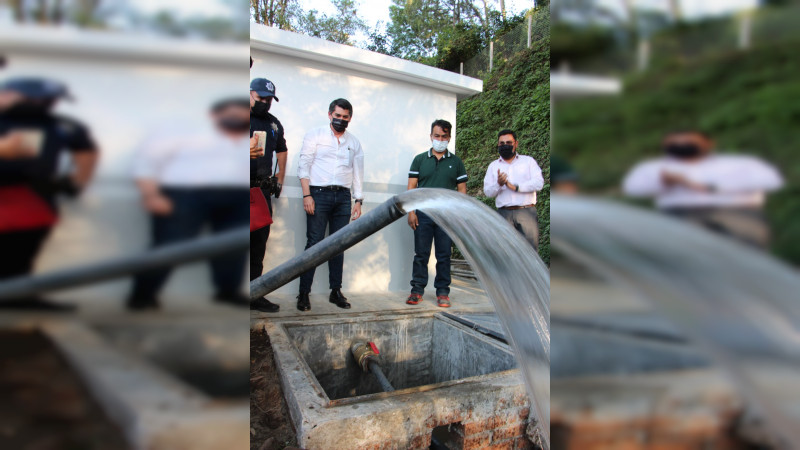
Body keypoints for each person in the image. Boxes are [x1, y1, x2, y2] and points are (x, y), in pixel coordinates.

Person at [127, 98, 251, 310]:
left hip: (236, 196)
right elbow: (146, 160)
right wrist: (150, 195)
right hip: (186, 195)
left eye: (243, 117)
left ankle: (227, 291)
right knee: (169, 245)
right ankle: (142, 295)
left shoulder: (249, 138)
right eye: (233, 116)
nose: (238, 120)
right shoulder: (186, 131)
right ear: (214, 115)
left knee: (232, 247)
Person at [0, 77, 99, 310]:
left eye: (51, 100)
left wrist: (77, 182)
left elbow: (87, 152)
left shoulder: (64, 125)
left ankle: (17, 296)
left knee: (22, 252)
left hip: (33, 194)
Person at [622, 130, 783, 248]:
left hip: (737, 211)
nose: (681, 145)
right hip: (681, 213)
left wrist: (712, 187)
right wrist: (664, 182)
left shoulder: (740, 163)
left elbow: (772, 181)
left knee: (746, 253)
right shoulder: (653, 167)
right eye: (674, 142)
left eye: (688, 141)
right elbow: (632, 188)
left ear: (708, 143)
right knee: (686, 256)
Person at [296, 98, 364, 312]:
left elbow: (358, 173)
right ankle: (304, 293)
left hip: (343, 198)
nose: (340, 120)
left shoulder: (354, 143)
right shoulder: (315, 135)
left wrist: (358, 200)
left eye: (345, 117)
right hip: (318, 195)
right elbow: (304, 165)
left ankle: (336, 291)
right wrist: (307, 195)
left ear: (350, 118)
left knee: (338, 245)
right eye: (337, 116)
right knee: (314, 244)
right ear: (329, 114)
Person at [406, 119, 467, 308]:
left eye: (444, 136)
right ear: (431, 136)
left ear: (449, 137)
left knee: (444, 255)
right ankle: (417, 290)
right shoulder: (420, 160)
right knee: (421, 254)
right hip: (423, 214)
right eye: (437, 136)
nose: (440, 139)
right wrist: (411, 212)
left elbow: (462, 191)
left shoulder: (456, 162)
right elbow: (411, 187)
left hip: (446, 216)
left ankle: (443, 292)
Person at [249, 77, 287, 312]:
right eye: (260, 98)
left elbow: (282, 149)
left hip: (261, 191)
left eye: (268, 99)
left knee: (258, 246)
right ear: (250, 93)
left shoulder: (274, 124)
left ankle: (255, 295)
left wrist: (280, 178)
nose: (264, 102)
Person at [483, 129, 544, 250]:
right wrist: (499, 184)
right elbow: (488, 192)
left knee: (529, 253)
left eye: (508, 142)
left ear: (516, 143)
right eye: (502, 143)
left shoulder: (528, 162)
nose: (505, 146)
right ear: (498, 144)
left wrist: (515, 187)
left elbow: (539, 183)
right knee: (505, 252)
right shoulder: (493, 166)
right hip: (503, 214)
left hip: (526, 213)